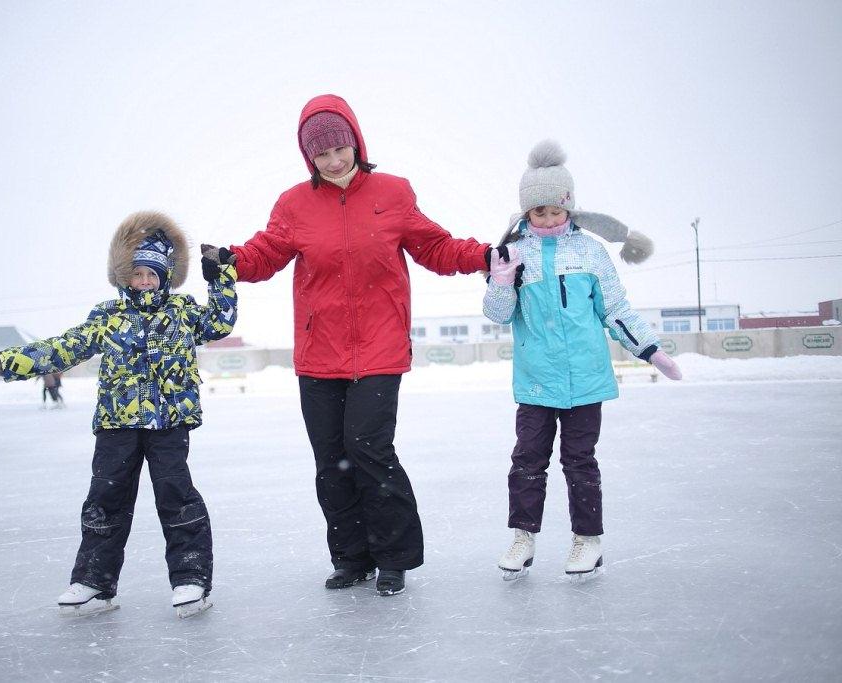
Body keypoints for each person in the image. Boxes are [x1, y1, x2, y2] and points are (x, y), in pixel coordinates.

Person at [204, 94, 494, 597]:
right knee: (330, 459)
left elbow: (436, 246)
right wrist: (229, 260)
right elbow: (265, 253)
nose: (334, 161)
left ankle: (394, 558)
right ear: (308, 158)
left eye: (340, 148)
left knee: (369, 449)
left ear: (357, 142)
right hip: (319, 355)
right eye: (322, 154)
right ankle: (351, 557)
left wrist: (485, 256)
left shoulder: (393, 192)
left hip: (379, 350)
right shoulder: (293, 204)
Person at [0, 211, 237, 618]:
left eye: (151, 274)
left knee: (176, 496)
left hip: (168, 422)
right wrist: (16, 361)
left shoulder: (181, 312)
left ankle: (191, 578)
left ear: (165, 277)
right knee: (105, 498)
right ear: (124, 276)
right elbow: (66, 347)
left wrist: (221, 275)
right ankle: (94, 582)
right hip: (117, 423)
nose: (143, 281)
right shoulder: (108, 316)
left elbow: (220, 322)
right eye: (136, 273)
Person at [482, 140, 683, 582]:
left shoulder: (592, 252)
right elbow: (498, 314)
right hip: (536, 381)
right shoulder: (515, 254)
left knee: (580, 461)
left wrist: (650, 350)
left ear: (569, 207)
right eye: (539, 212)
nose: (549, 219)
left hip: (586, 381)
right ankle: (522, 537)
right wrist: (500, 281)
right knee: (527, 460)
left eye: (557, 210)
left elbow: (615, 310)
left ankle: (587, 540)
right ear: (526, 214)